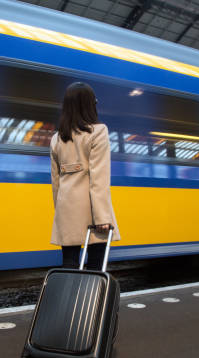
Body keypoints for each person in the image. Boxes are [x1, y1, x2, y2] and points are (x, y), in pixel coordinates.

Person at [50, 82, 120, 270]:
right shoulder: (98, 132)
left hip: (66, 208)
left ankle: (69, 299)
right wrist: (102, 217)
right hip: (92, 210)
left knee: (69, 264)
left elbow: (55, 181)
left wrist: (60, 210)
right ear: (90, 104)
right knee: (96, 266)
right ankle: (91, 300)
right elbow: (99, 177)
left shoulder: (57, 138)